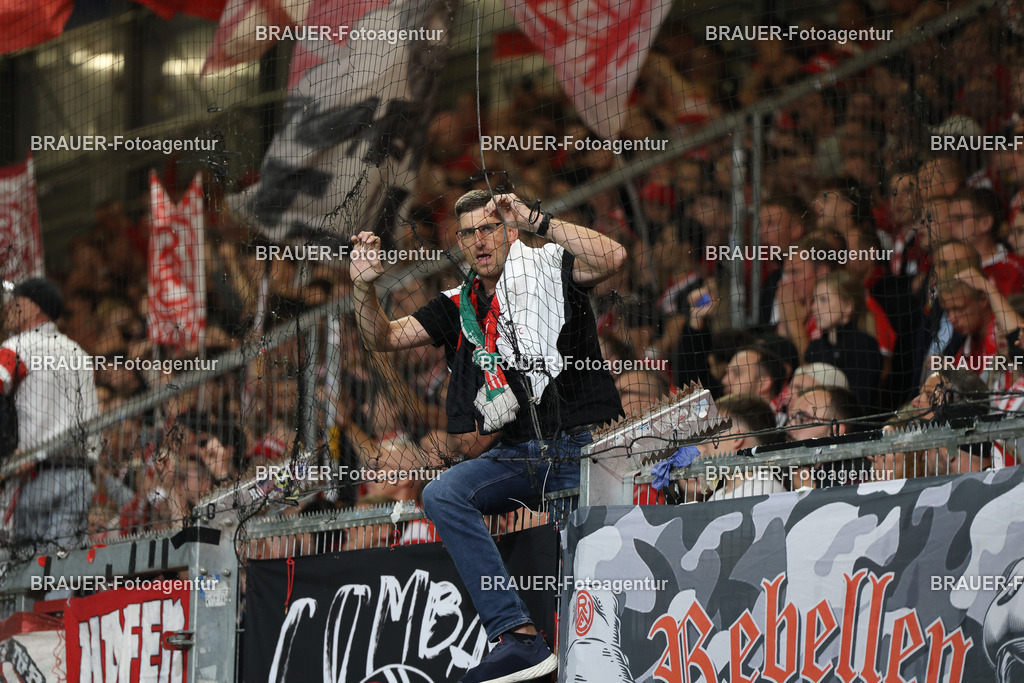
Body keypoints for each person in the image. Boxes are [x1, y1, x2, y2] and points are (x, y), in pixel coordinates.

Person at [349, 189, 625, 683]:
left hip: (586, 444)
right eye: (468, 233)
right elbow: (382, 337)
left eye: (489, 228)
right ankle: (517, 636)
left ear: (509, 231)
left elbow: (613, 257)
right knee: (443, 492)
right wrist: (362, 288)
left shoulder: (548, 269)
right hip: (522, 456)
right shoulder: (459, 304)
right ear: (458, 243)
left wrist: (539, 219)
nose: (479, 241)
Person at [0, 278, 99, 548]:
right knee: (61, 575)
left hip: (33, 479)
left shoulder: (17, 346)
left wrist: (6, 450)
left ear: (35, 309)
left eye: (16, 303)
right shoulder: (79, 353)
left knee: (24, 576)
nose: (8, 309)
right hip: (79, 478)